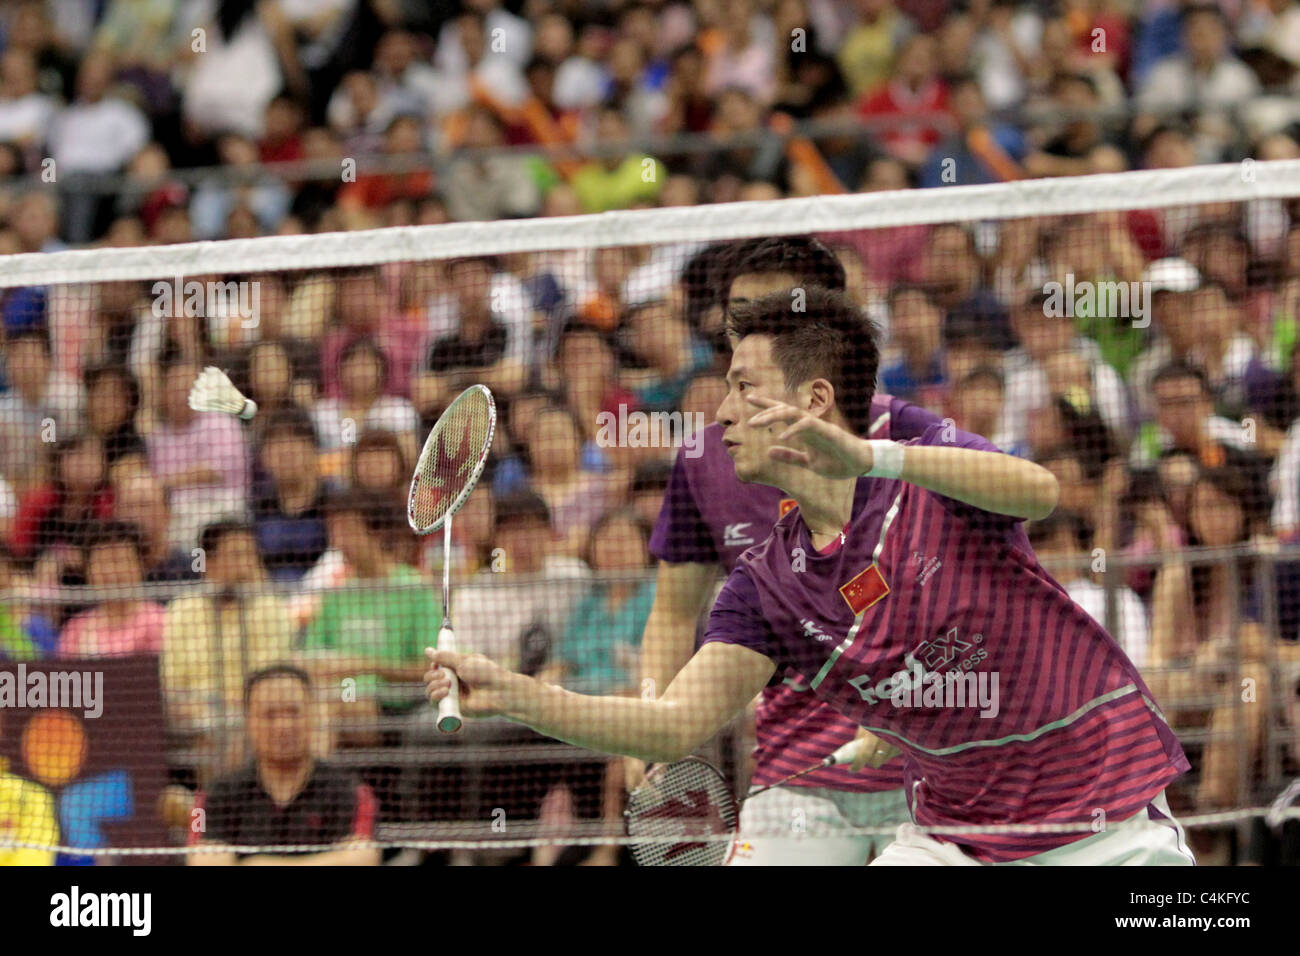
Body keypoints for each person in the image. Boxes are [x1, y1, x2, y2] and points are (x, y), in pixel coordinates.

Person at [427, 285, 1194, 866]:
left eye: (742, 387)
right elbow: (672, 723)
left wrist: (871, 458)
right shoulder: (767, 588)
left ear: (815, 400)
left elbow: (1040, 491)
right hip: (958, 841)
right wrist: (513, 692)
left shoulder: (927, 473)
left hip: (1106, 812)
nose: (720, 411)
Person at [187, 665, 380, 865]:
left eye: (294, 712)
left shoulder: (351, 790)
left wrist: (261, 864)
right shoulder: (212, 796)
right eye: (270, 715)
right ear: (248, 721)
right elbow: (201, 857)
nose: (283, 726)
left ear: (313, 715)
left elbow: (363, 856)